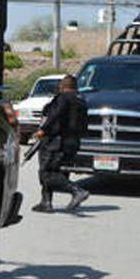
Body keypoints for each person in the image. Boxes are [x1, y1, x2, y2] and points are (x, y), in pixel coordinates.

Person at [31, 75, 89, 213]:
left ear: (61, 86)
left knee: (47, 173)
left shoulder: (62, 98)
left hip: (56, 141)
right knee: (56, 171)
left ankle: (77, 191)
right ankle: (46, 202)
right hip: (73, 142)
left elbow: (55, 115)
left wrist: (43, 130)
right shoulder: (81, 101)